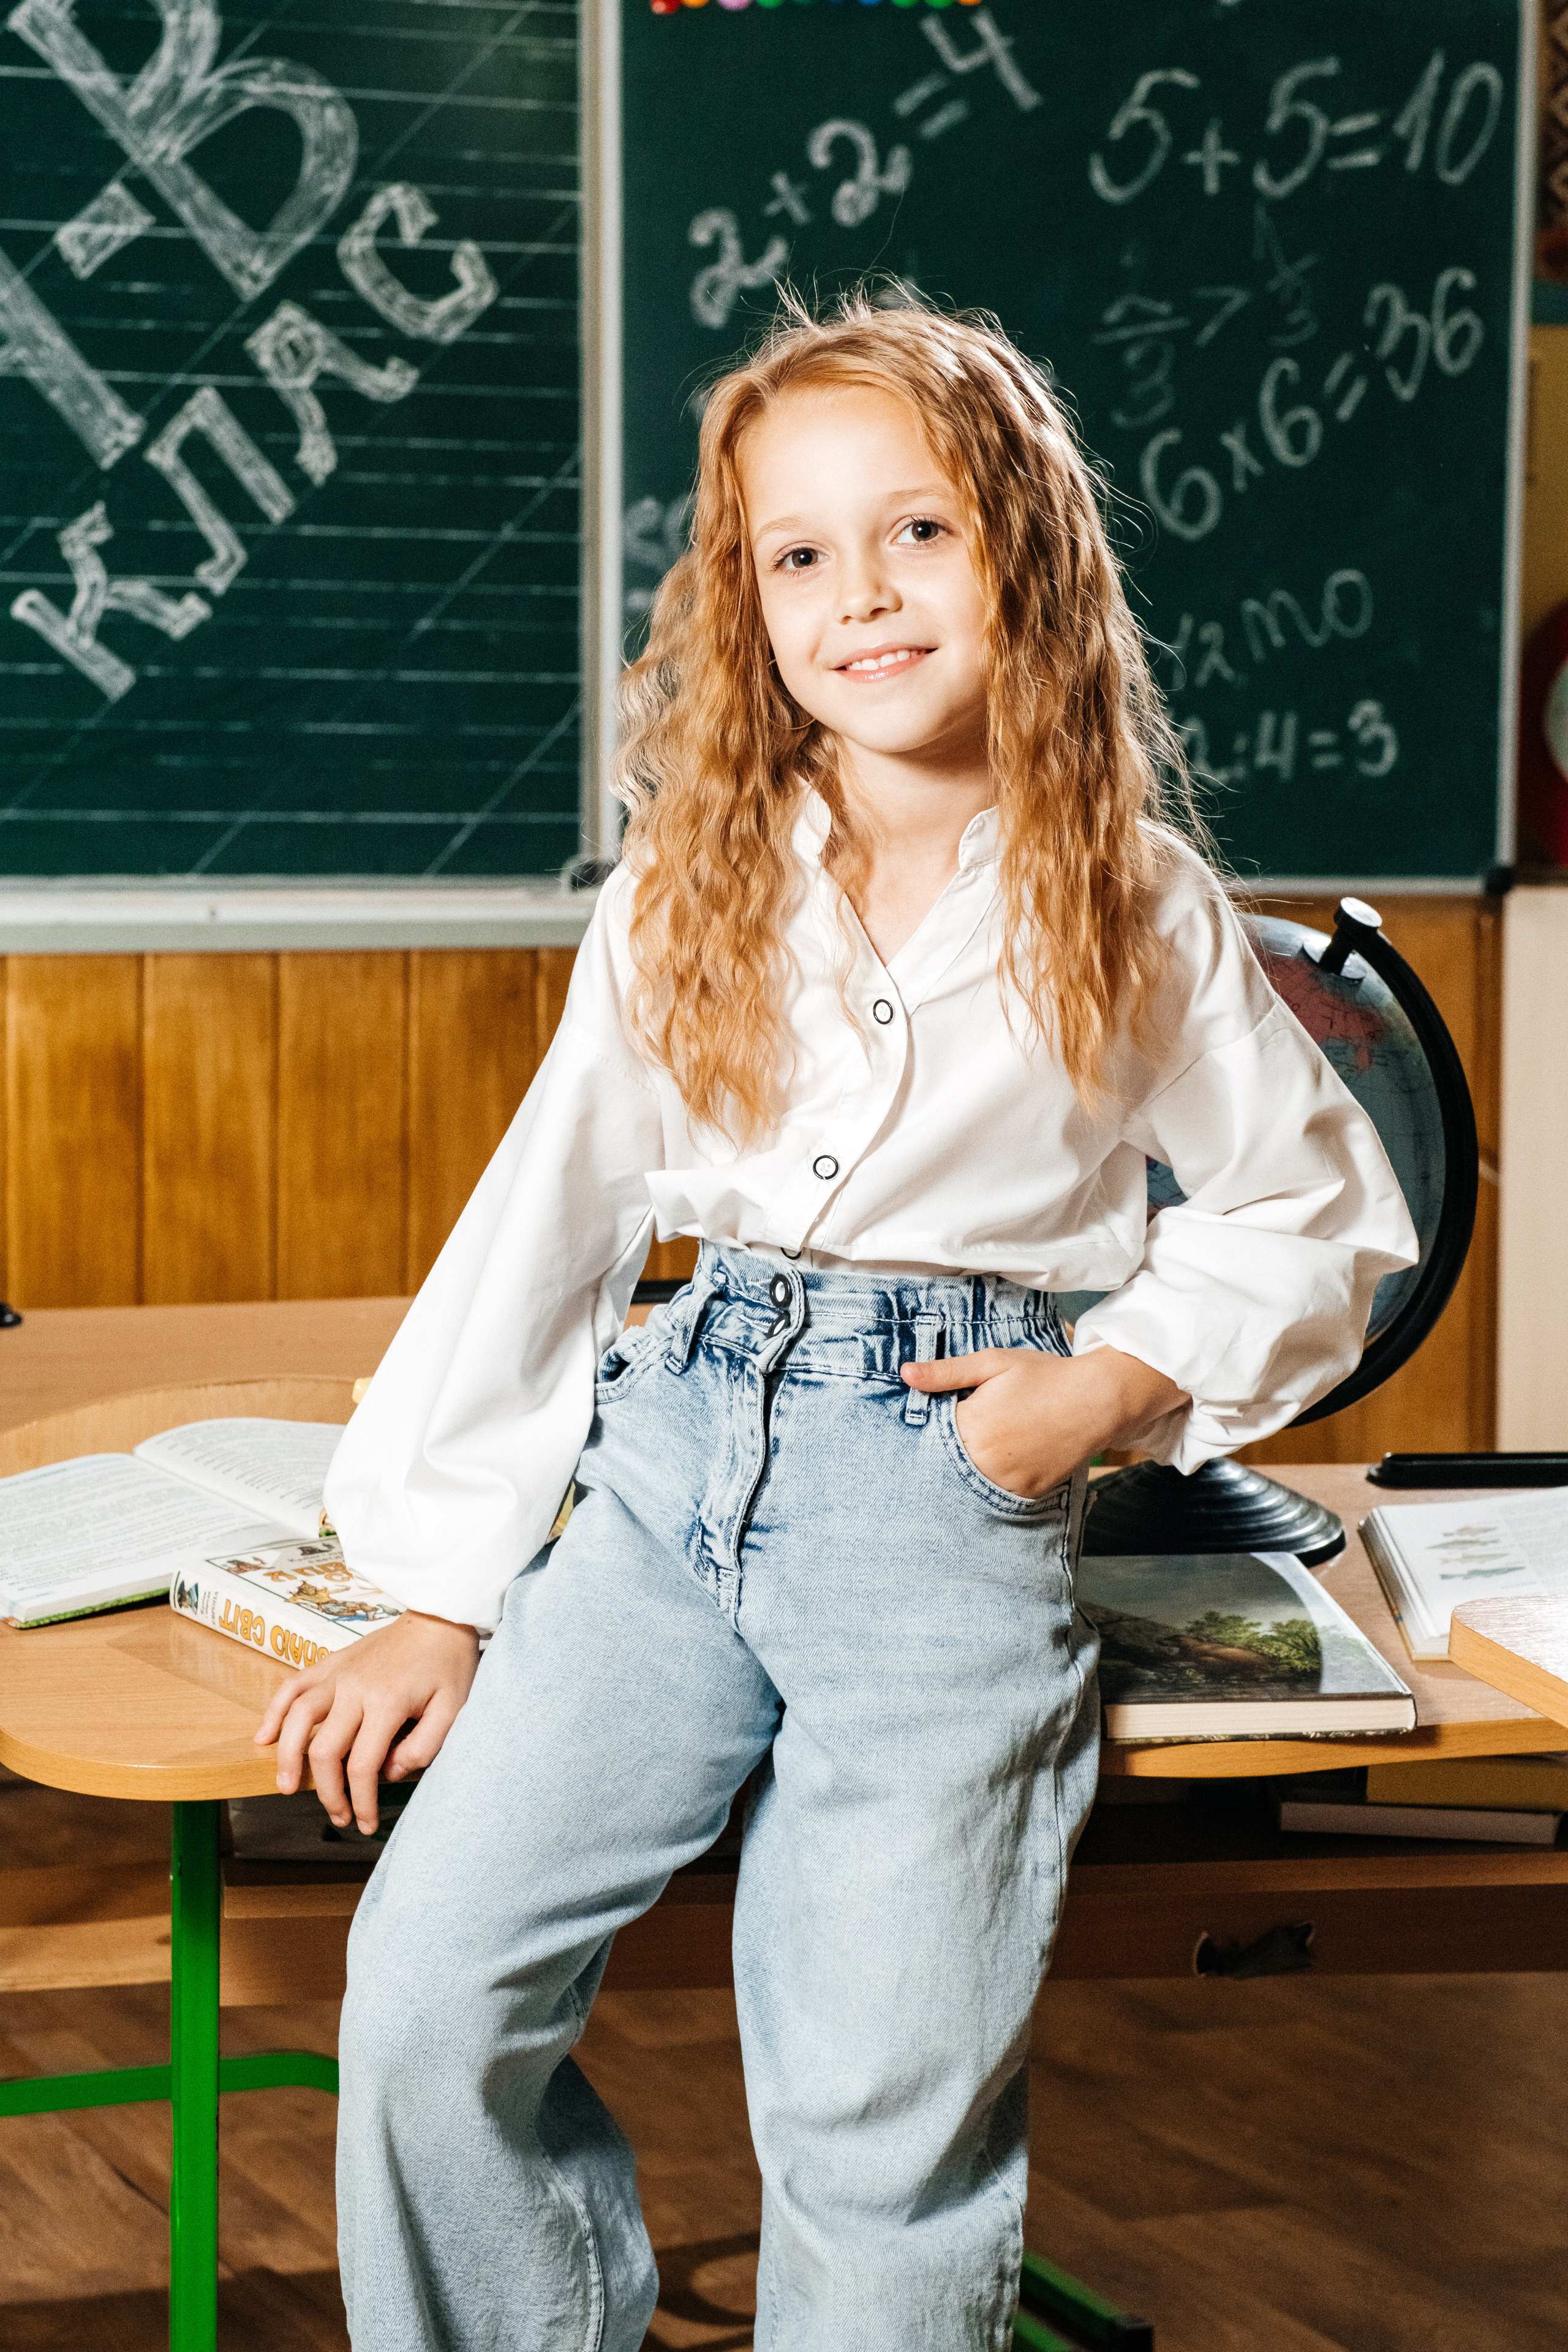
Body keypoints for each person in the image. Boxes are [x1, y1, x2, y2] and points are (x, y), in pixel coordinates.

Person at [257, 293, 1416, 2351]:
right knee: (430, 1988)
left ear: (1027, 562)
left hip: (942, 1493)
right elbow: (554, 1220)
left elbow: (1313, 1204)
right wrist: (438, 1586)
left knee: (876, 2111)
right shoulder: (692, 876)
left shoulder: (1128, 897)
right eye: (800, 555)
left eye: (920, 535)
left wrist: (1113, 1386)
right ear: (747, 599)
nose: (860, 598)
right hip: (673, 1459)